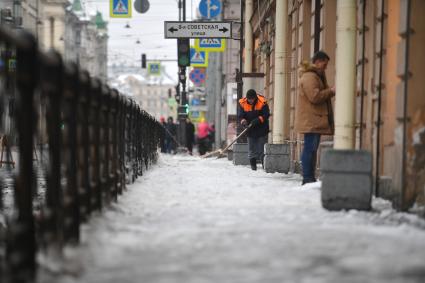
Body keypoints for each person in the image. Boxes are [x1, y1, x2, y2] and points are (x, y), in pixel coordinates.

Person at [295, 50, 335, 185]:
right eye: (325, 64)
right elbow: (314, 97)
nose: (326, 67)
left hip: (313, 119)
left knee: (311, 149)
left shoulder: (314, 76)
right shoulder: (310, 77)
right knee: (310, 149)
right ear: (317, 62)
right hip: (312, 120)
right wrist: (331, 91)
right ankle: (307, 178)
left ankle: (309, 177)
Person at [238, 89, 270, 170]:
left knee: (261, 149)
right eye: (249, 99)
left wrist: (258, 120)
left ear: (255, 98)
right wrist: (243, 121)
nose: (251, 101)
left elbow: (266, 114)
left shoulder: (262, 102)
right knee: (251, 149)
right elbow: (241, 115)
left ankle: (264, 165)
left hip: (261, 129)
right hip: (250, 129)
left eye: (252, 99)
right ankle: (253, 166)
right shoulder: (243, 103)